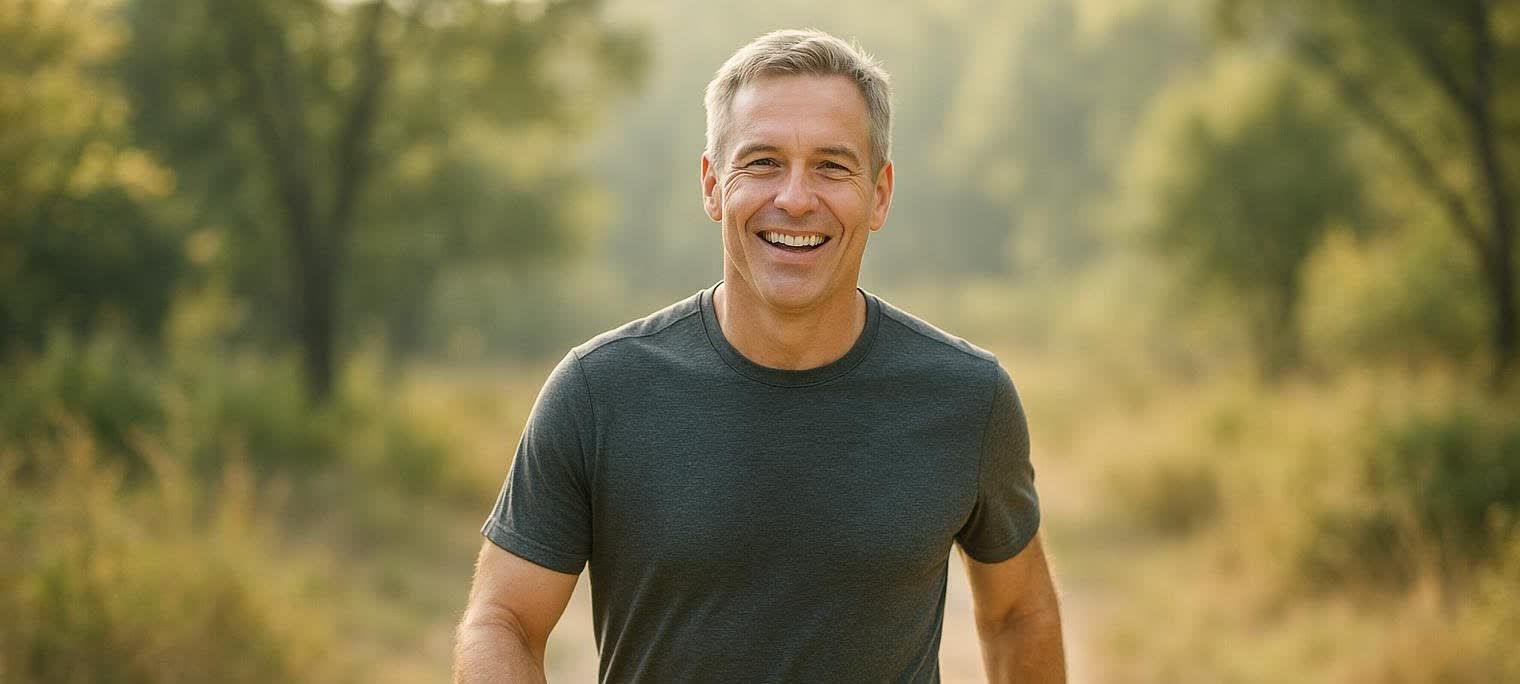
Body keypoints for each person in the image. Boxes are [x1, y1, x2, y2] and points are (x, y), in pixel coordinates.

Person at [454, 28, 1065, 683]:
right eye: (763, 162)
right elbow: (505, 618)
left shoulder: (966, 398)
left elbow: (1017, 613)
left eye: (832, 165)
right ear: (713, 184)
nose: (796, 198)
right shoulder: (599, 391)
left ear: (880, 193)